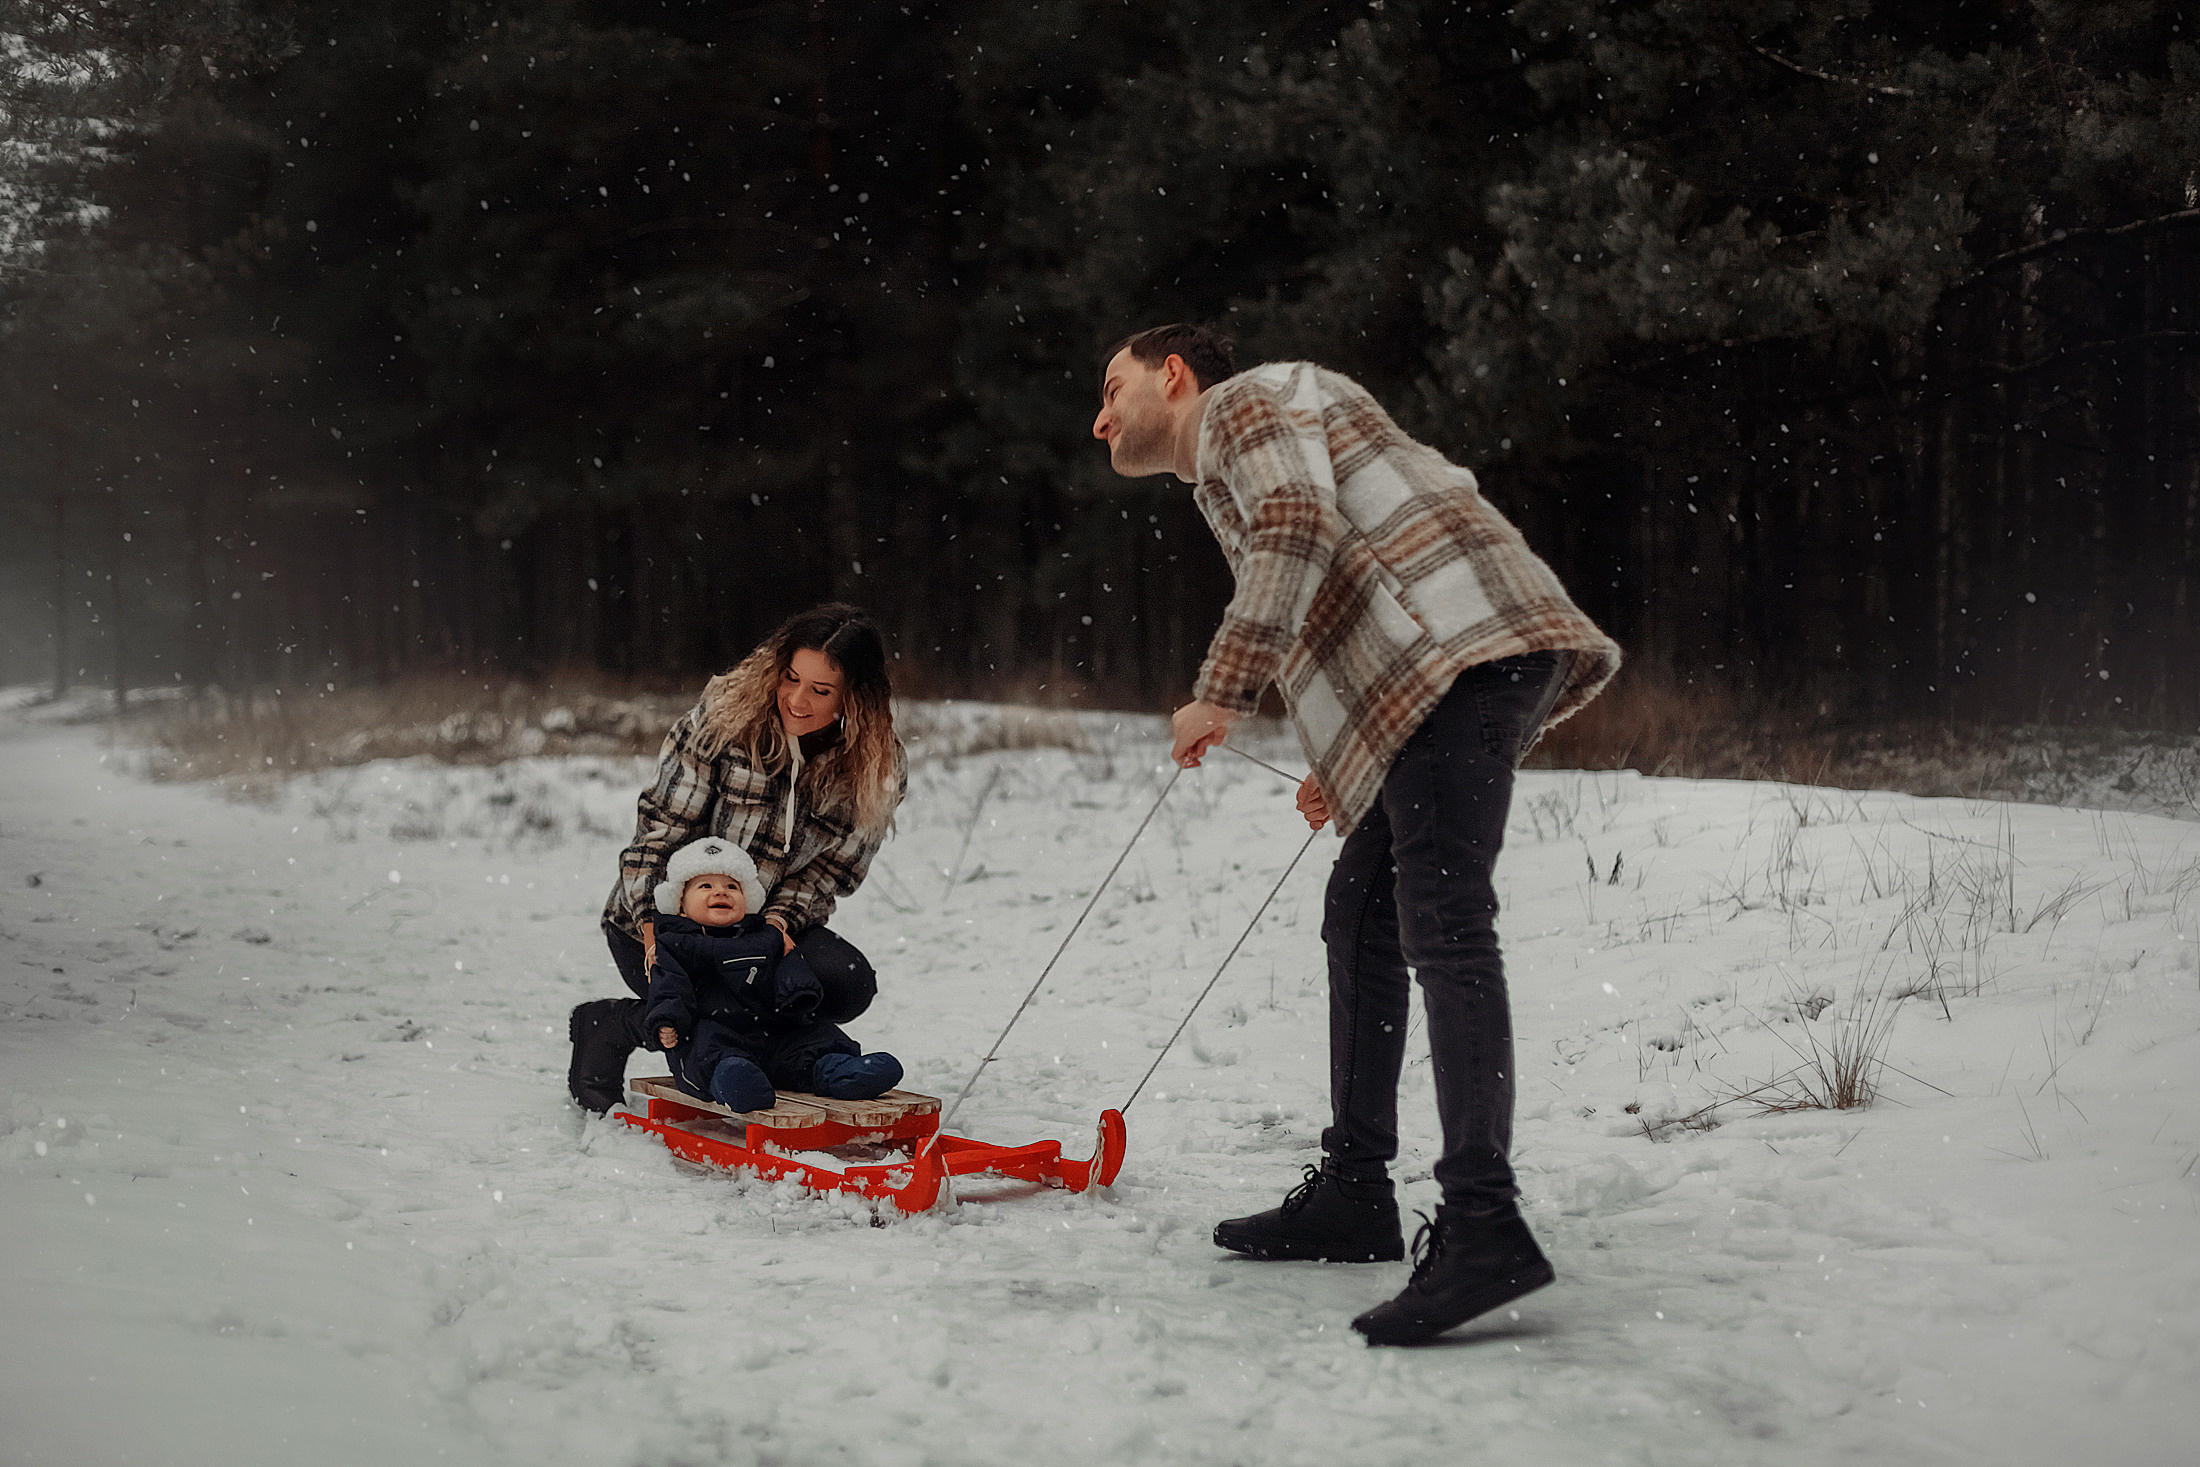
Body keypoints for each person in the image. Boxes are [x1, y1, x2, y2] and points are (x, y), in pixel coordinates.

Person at [1091, 323, 1621, 1346]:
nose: (1100, 417)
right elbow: (1340, 591)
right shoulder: (1235, 456)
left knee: (1444, 923)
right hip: (1440, 672)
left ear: (1174, 373)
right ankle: (1355, 1192)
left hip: (1465, 650)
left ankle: (1483, 1224)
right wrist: (1348, 770)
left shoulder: (1243, 403)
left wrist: (1220, 691)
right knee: (1363, 914)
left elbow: (1299, 526)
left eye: (1113, 387)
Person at [567, 603, 907, 1114]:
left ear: (854, 697)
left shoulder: (875, 764)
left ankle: (783, 1056)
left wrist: (777, 927)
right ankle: (612, 1024)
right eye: (791, 678)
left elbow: (830, 871)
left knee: (843, 982)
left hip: (758, 930)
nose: (796, 700)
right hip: (665, 925)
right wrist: (654, 925)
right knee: (703, 1003)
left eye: (821, 691)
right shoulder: (723, 724)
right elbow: (660, 830)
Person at [643, 836, 904, 1111]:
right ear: (680, 906)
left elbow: (787, 970)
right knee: (705, 1049)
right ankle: (735, 1081)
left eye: (732, 886)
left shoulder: (766, 936)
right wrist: (666, 1020)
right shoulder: (674, 944)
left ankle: (838, 1070)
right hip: (717, 1032)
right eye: (705, 886)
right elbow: (669, 987)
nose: (721, 892)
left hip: (773, 1033)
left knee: (815, 1036)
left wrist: (797, 989)